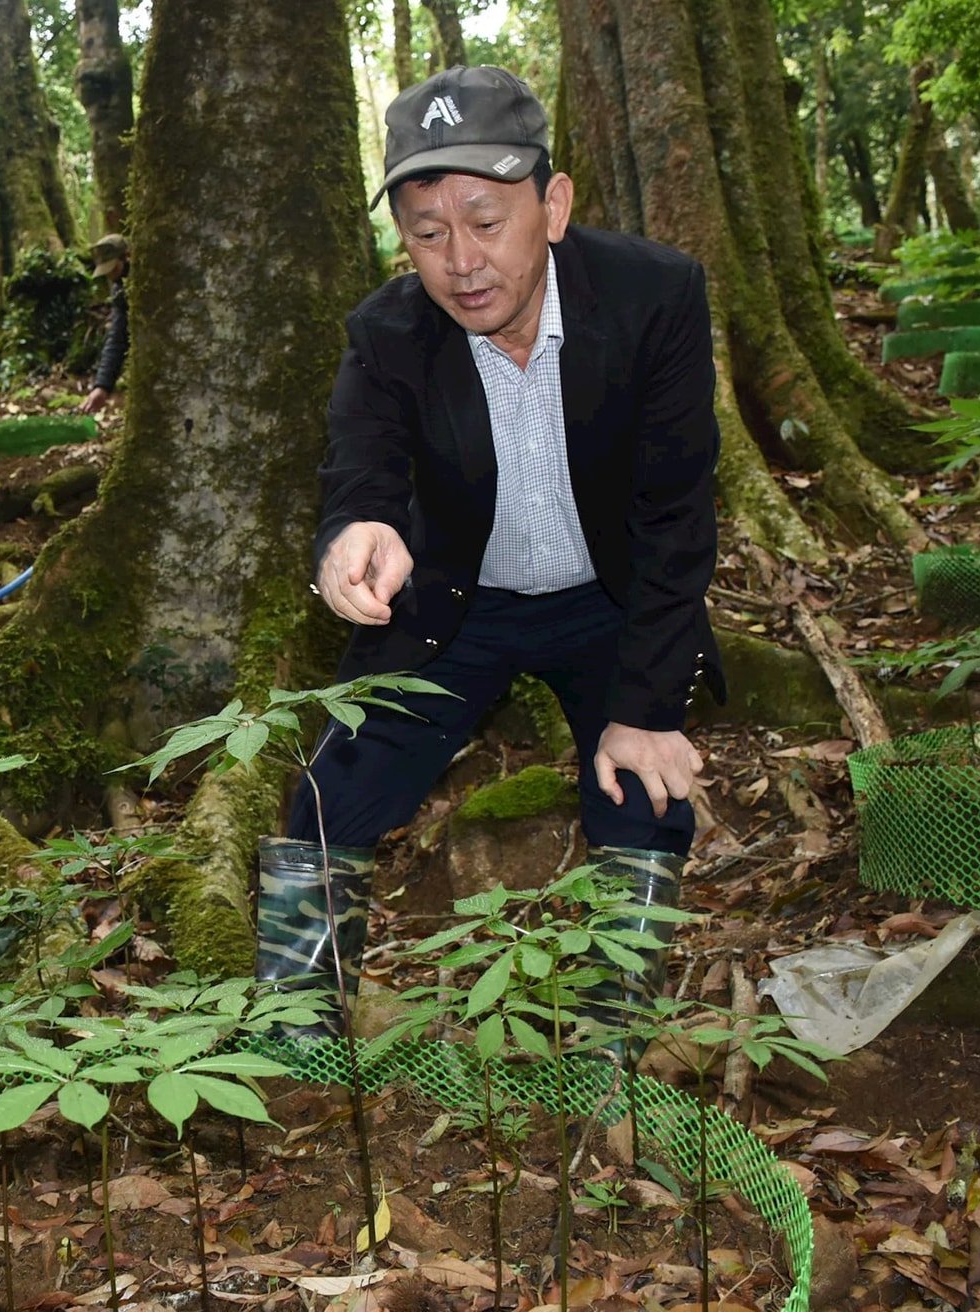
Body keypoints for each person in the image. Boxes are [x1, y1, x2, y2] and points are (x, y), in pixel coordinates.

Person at [257, 66, 728, 1027]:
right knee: (329, 794)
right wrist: (355, 540)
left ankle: (611, 1041)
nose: (460, 260)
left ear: (551, 206)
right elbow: (360, 474)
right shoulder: (386, 334)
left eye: (485, 220)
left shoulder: (653, 298)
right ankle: (293, 1030)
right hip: (456, 608)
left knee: (642, 792)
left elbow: (677, 517)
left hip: (611, 598)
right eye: (427, 234)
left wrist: (645, 705)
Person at [79, 233, 130, 413]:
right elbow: (117, 337)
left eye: (113, 269)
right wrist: (102, 386)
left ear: (127, 257)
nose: (110, 276)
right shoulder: (120, 288)